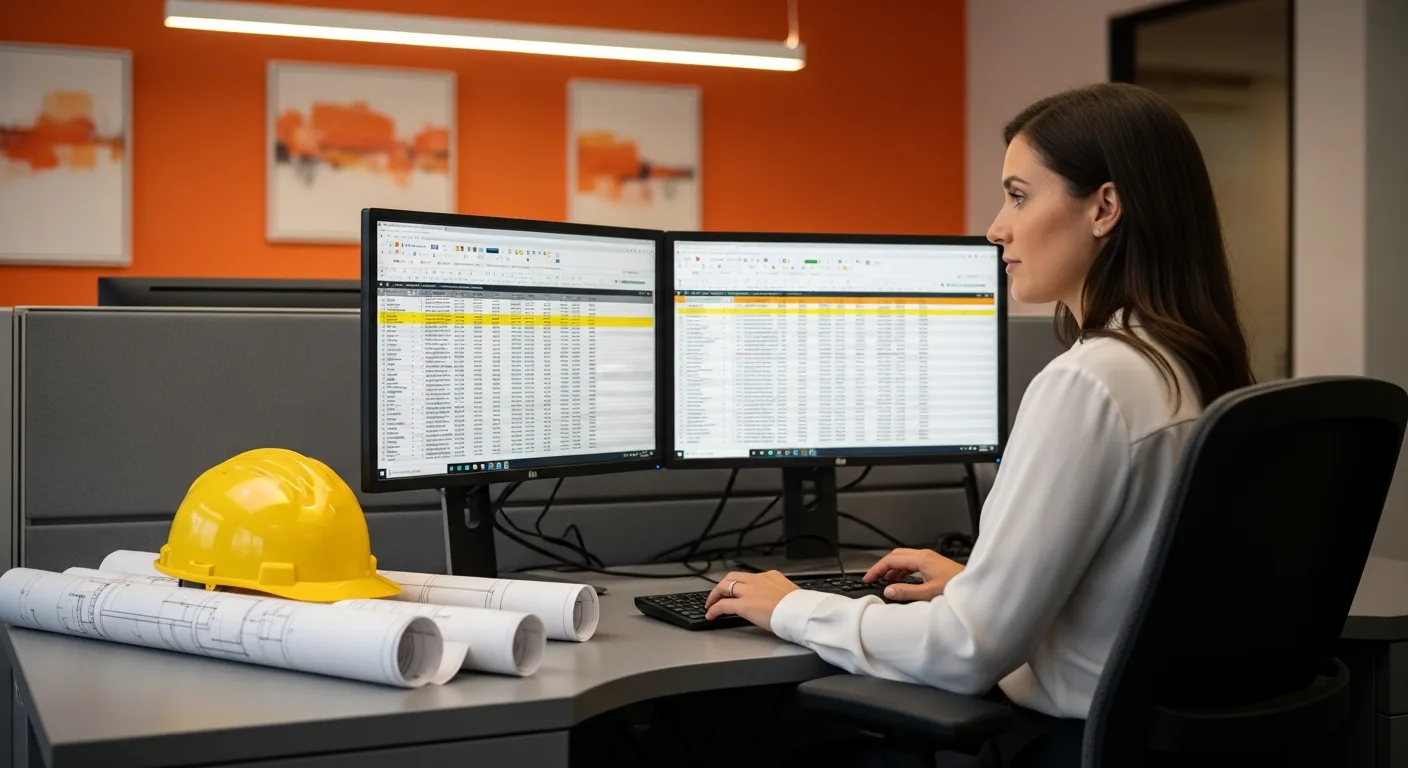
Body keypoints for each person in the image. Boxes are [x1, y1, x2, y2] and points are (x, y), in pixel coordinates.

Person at [703, 82, 1256, 766]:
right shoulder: (1188, 363)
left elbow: (968, 652)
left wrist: (790, 606)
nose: (997, 226)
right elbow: (1131, 583)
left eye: (1019, 196)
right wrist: (981, 581)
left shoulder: (1091, 381)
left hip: (1073, 745)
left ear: (1104, 208)